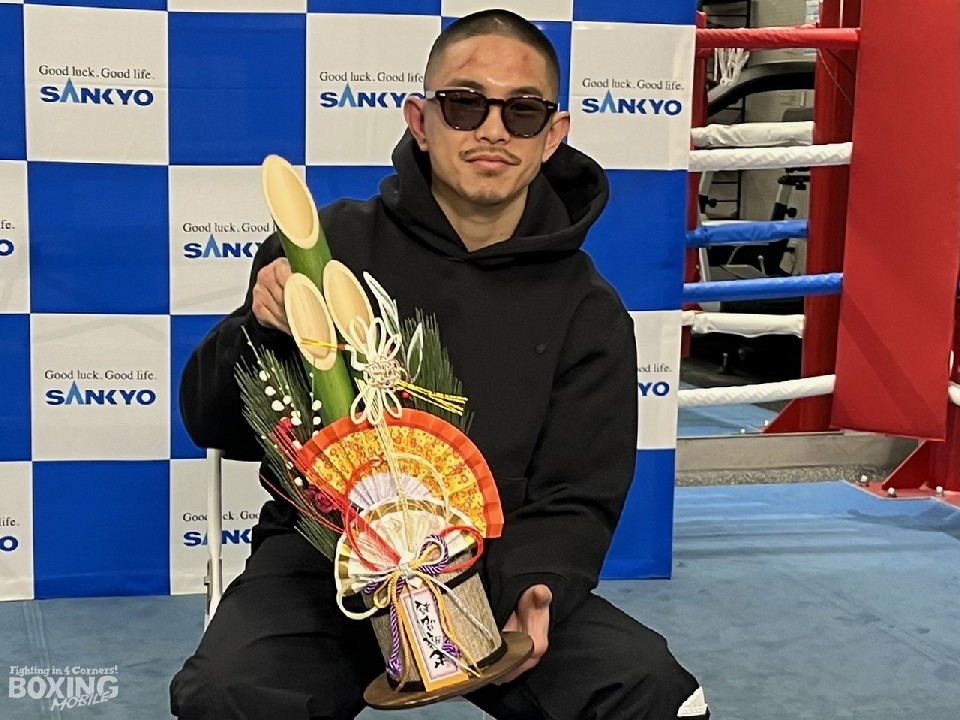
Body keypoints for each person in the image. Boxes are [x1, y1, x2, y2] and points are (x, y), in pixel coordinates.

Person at [170, 9, 708, 720]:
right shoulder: (325, 250)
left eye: (522, 111)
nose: (493, 130)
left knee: (653, 693)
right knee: (227, 694)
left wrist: (538, 586)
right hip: (323, 569)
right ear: (421, 121)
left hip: (492, 572)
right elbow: (212, 422)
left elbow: (579, 492)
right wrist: (257, 327)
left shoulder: (588, 307)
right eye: (464, 104)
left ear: (553, 137)